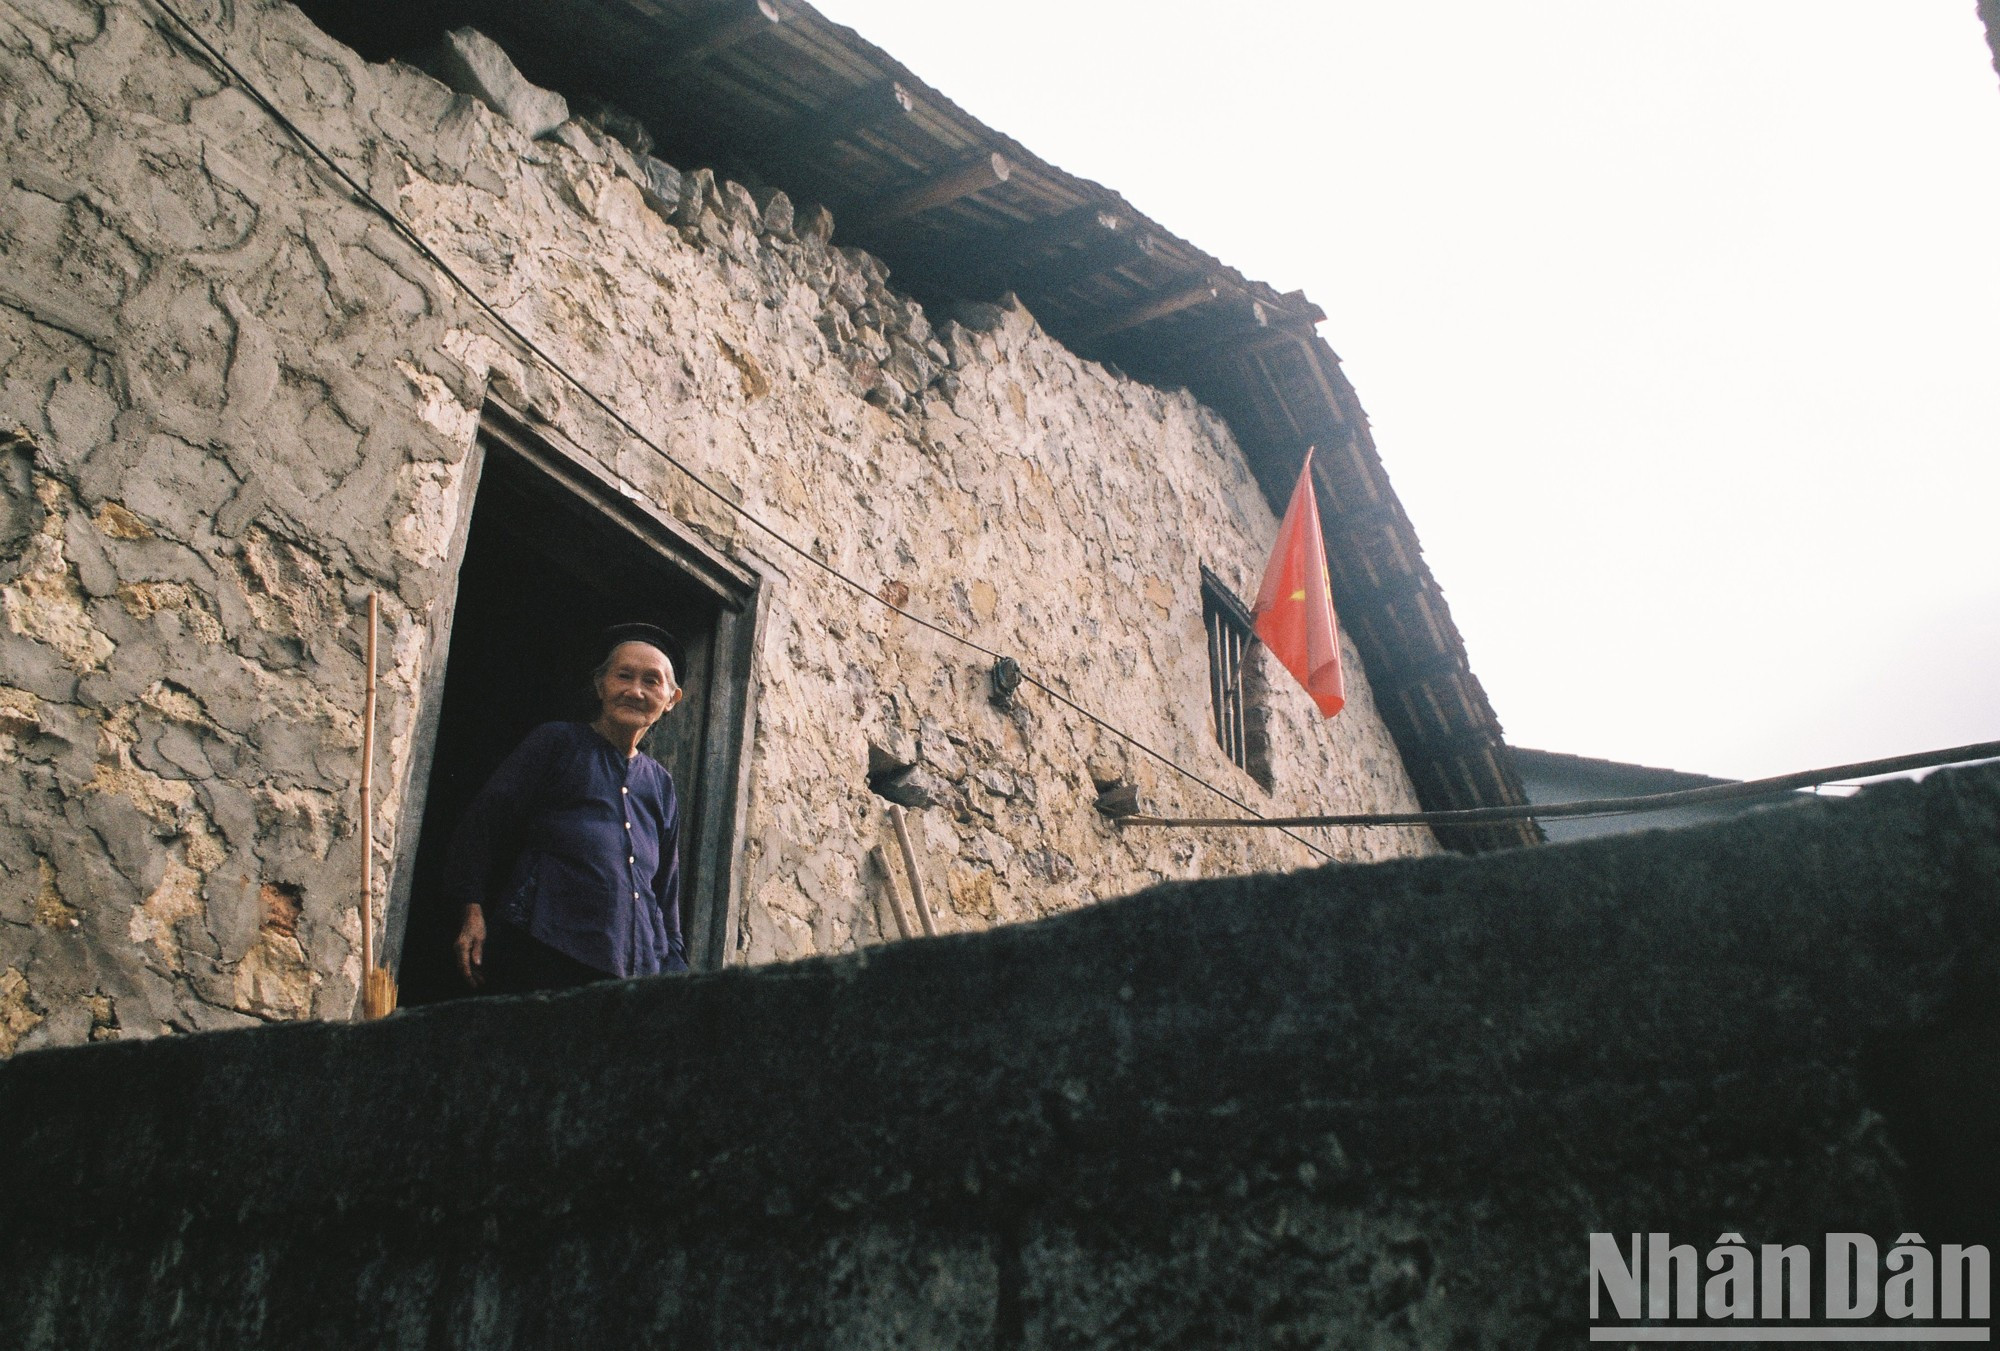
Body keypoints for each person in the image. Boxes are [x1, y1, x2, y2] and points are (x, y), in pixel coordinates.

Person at [450, 624, 691, 993]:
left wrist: (675, 970)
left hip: (637, 969)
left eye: (651, 681)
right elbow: (484, 821)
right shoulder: (558, 743)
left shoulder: (660, 784)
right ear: (600, 685)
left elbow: (666, 888)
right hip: (545, 948)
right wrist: (471, 910)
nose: (635, 691)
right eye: (623, 676)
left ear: (671, 699)